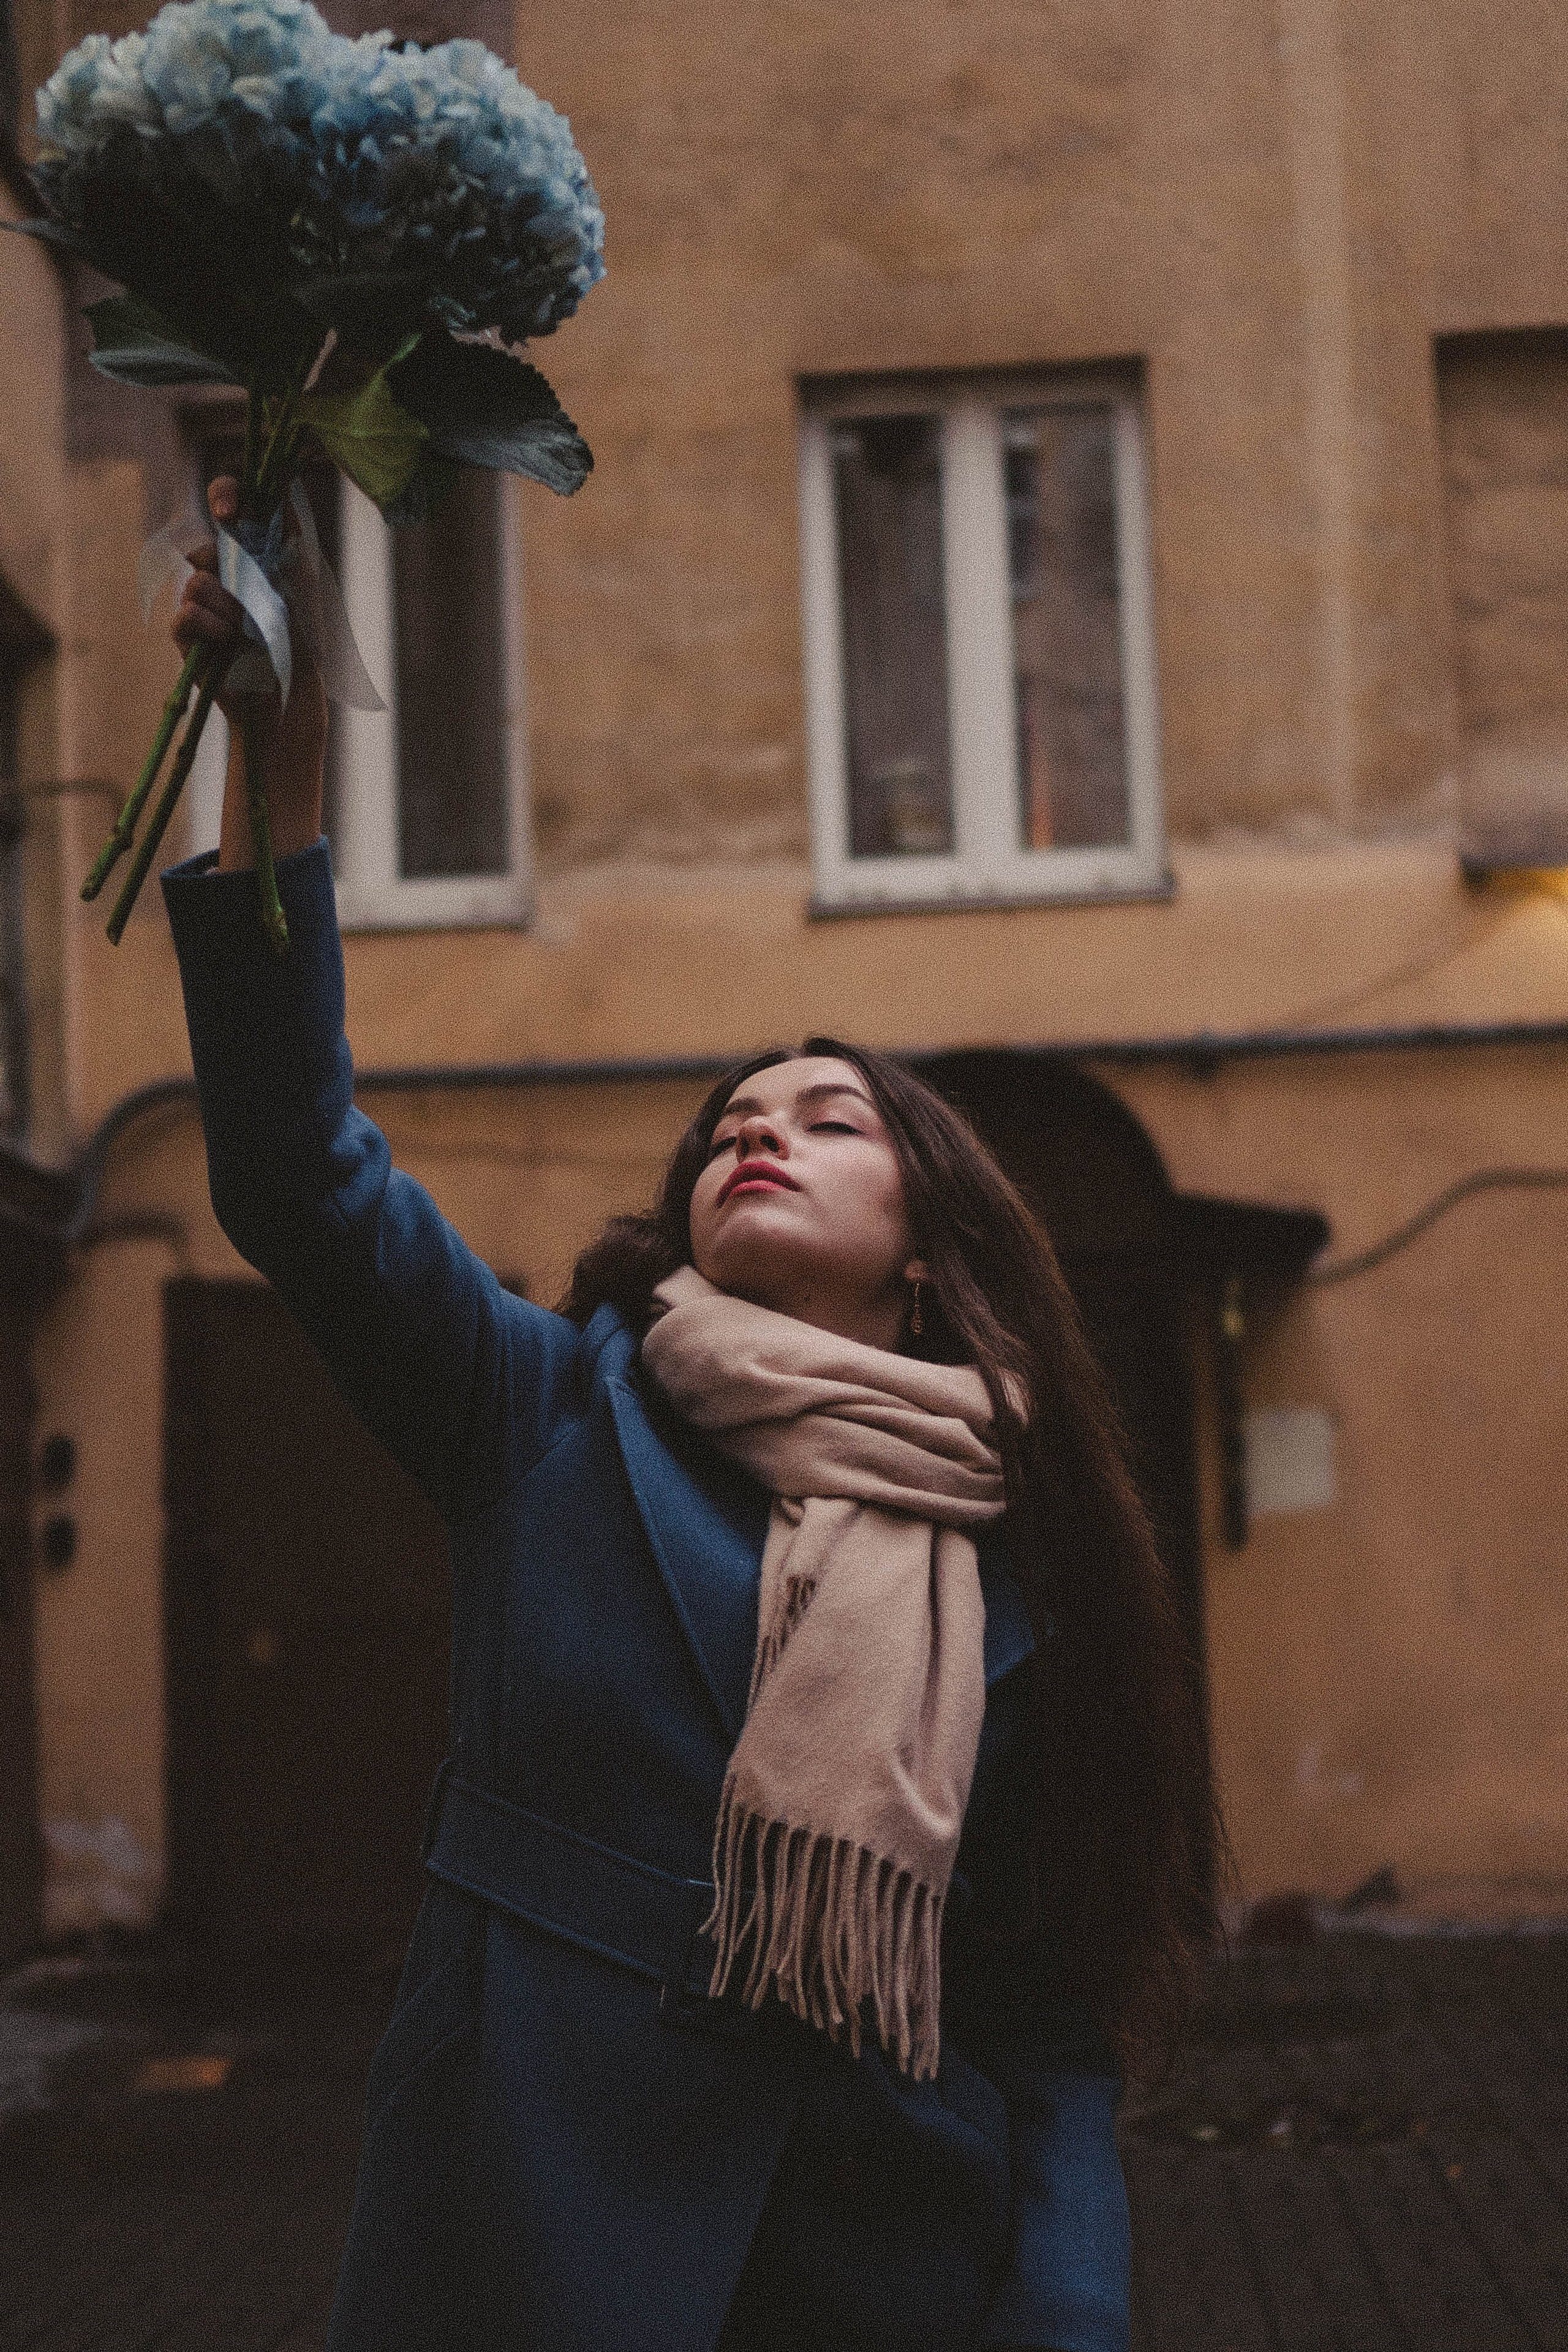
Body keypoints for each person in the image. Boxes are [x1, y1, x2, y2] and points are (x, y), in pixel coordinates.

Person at [163, 477, 1218, 2352]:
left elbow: (1049, 2031)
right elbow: (301, 1179)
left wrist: (1069, 2317)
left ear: (930, 1245)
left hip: (892, 2256)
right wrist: (285, 766)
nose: (763, 1122)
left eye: (830, 1115)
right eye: (739, 1111)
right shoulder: (547, 1410)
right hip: (530, 2224)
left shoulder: (1017, 1542)